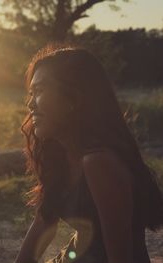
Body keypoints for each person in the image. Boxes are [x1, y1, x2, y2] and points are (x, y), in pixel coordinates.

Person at [14, 45, 163, 263]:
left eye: (39, 91)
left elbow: (121, 256)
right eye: (31, 93)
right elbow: (44, 222)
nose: (30, 104)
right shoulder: (58, 155)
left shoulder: (100, 163)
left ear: (73, 98)